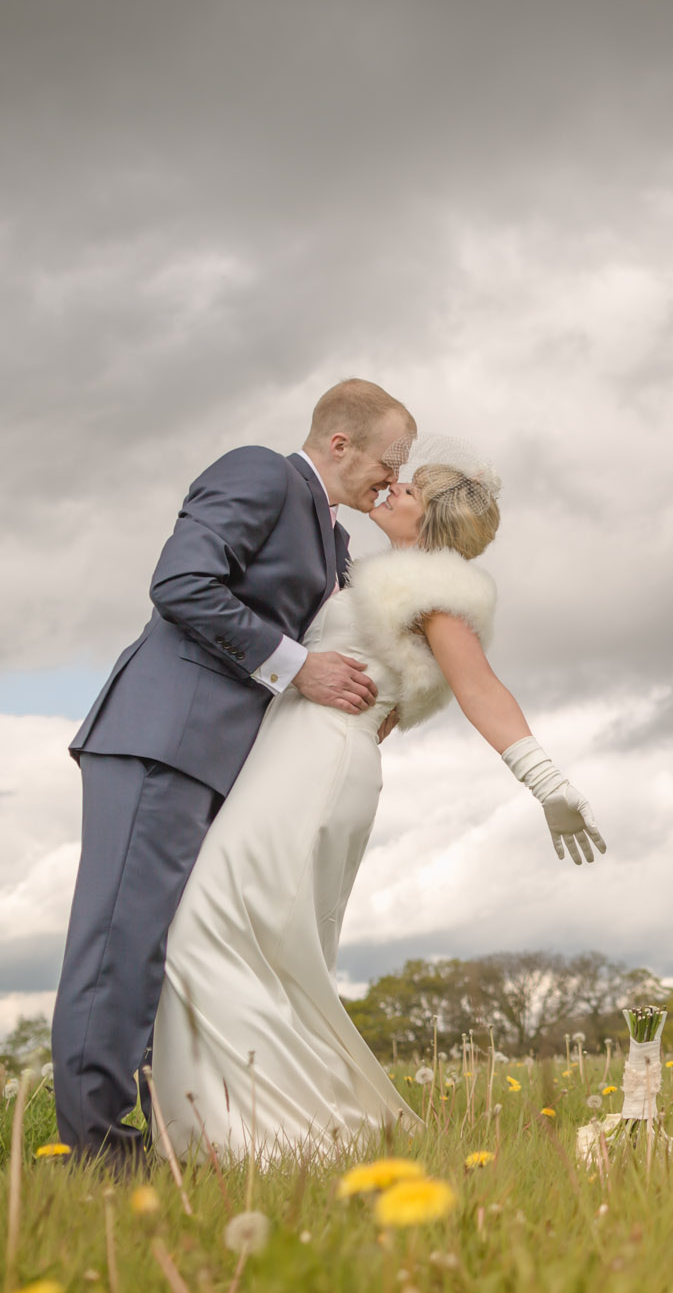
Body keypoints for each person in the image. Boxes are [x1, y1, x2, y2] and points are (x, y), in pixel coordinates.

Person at [147, 438, 605, 1161]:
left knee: (215, 928)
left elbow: (480, 688)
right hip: (295, 755)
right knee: (257, 940)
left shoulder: (436, 592)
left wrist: (548, 783)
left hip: (320, 761)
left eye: (411, 490)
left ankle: (267, 1137)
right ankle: (251, 1127)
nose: (393, 490)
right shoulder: (374, 575)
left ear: (436, 522)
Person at [51, 379, 414, 1165]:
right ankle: (97, 1155)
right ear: (340, 443)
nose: (392, 478)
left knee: (177, 948)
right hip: (164, 738)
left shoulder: (337, 538)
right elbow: (181, 582)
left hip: (230, 762)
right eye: (389, 461)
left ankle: (173, 1133)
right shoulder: (262, 472)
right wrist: (296, 668)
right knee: (123, 946)